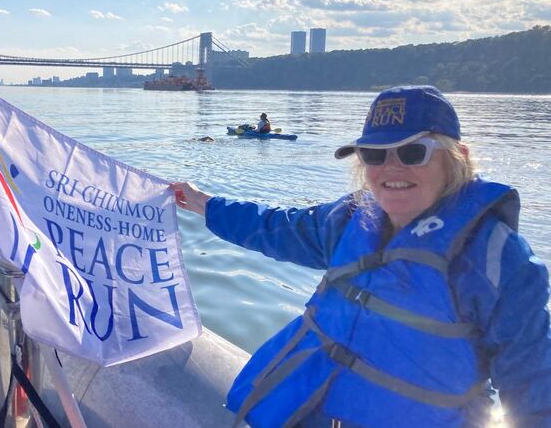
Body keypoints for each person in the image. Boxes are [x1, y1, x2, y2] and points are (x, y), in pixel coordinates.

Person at [171, 85, 551, 427]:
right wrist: (203, 202)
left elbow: (534, 386)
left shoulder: (498, 260)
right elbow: (274, 227)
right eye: (374, 154)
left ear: (458, 158)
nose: (391, 168)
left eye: (412, 151)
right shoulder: (348, 219)